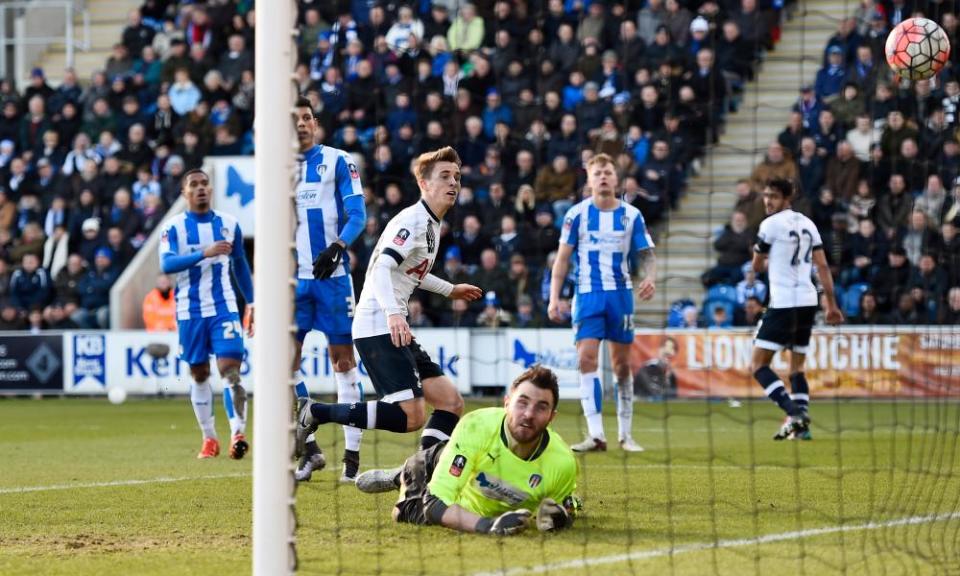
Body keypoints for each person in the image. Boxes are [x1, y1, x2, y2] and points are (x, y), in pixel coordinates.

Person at [298, 147, 482, 456]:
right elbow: (383, 266)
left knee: (451, 403)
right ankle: (316, 412)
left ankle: (421, 470)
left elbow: (411, 272)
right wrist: (394, 313)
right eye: (445, 176)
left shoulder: (431, 224)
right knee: (411, 416)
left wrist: (450, 290)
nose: (454, 183)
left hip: (392, 323)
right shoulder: (412, 222)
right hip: (378, 324)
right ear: (424, 184)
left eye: (457, 177)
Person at [354, 365, 580, 536]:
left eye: (541, 407)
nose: (529, 414)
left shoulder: (562, 463)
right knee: (405, 513)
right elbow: (433, 505)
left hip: (474, 483)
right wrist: (488, 526)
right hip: (436, 461)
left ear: (552, 417)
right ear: (506, 403)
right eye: (522, 403)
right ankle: (402, 474)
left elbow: (561, 509)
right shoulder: (476, 427)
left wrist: (560, 518)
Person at [547, 153, 656, 452]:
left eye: (608, 172)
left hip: (620, 295)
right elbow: (563, 259)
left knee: (621, 366)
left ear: (616, 178)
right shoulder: (576, 215)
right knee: (586, 359)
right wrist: (554, 298)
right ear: (589, 179)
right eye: (598, 173)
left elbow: (646, 253)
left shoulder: (631, 215)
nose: (604, 177)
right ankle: (596, 435)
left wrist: (650, 277)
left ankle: (626, 435)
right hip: (587, 294)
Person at [289, 98, 368, 483]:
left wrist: (338, 246)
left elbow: (358, 214)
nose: (301, 124)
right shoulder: (278, 168)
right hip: (293, 283)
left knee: (343, 364)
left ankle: (351, 459)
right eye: (294, 119)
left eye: (306, 118)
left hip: (333, 281)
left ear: (315, 123)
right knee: (283, 366)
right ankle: (311, 449)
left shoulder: (338, 160)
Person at [159, 169, 254, 460]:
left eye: (204, 183)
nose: (201, 188)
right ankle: (209, 438)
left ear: (211, 189)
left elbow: (240, 264)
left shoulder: (229, 224)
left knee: (230, 371)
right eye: (194, 185)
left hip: (223, 308)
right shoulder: (173, 227)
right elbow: (167, 264)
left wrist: (251, 302)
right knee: (199, 374)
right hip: (189, 311)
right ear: (184, 193)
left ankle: (238, 433)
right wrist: (205, 253)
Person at [751, 178, 843, 441]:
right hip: (807, 300)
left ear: (787, 198)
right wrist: (832, 305)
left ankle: (794, 414)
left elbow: (756, 266)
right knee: (796, 368)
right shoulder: (808, 224)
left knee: (758, 365)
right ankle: (802, 430)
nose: (768, 201)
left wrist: (763, 260)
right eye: (766, 195)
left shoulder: (769, 225)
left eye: (774, 196)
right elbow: (823, 267)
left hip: (784, 303)